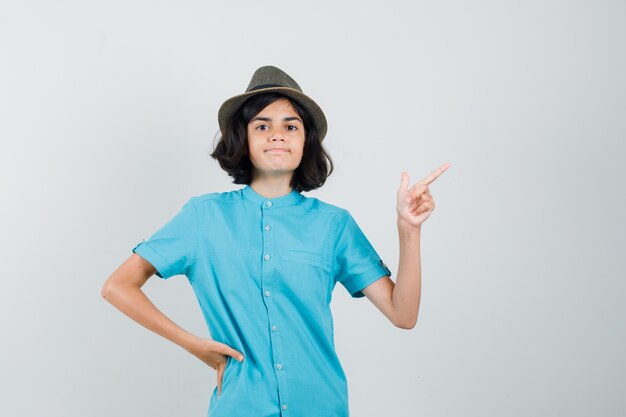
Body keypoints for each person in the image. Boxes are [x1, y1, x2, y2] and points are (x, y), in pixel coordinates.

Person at [101, 65, 450, 417]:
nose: (277, 135)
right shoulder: (203, 218)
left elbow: (403, 314)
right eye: (263, 126)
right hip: (240, 407)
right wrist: (193, 345)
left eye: (290, 126)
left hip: (322, 407)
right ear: (243, 139)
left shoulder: (334, 225)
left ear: (305, 141)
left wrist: (409, 230)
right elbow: (118, 286)